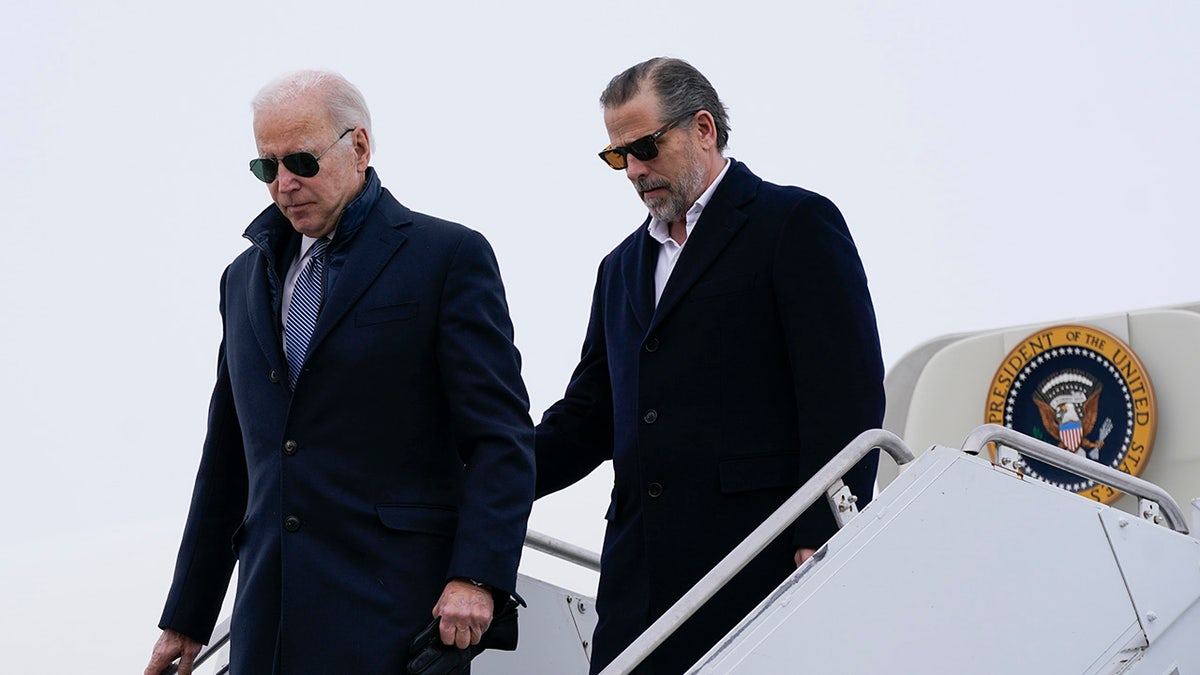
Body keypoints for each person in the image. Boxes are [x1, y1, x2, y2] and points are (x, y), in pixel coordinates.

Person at [144, 70, 536, 674]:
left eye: (301, 160)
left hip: (397, 623)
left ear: (359, 148)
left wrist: (477, 577)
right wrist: (186, 617)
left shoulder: (446, 256)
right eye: (265, 167)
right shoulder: (240, 281)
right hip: (269, 629)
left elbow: (500, 438)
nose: (283, 183)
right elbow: (227, 460)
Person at [534, 57, 886, 674]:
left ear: (703, 128)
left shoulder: (794, 224)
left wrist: (821, 534)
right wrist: (482, 473)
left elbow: (845, 395)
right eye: (618, 156)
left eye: (645, 146)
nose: (635, 169)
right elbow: (589, 418)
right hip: (639, 587)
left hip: (761, 564)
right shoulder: (619, 269)